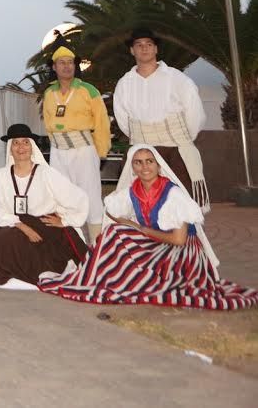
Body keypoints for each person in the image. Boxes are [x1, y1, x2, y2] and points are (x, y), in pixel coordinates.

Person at [40, 145, 258, 309]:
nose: (144, 167)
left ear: (158, 165)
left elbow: (179, 240)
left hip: (181, 256)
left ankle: (123, 280)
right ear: (132, 168)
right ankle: (109, 279)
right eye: (138, 162)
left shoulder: (174, 194)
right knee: (113, 233)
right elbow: (111, 210)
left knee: (119, 234)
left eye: (149, 161)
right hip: (157, 244)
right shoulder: (133, 190)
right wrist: (129, 224)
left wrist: (139, 229)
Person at [0, 123, 89, 288]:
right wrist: (23, 227)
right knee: (5, 239)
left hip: (43, 224)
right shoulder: (0, 175)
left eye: (25, 142)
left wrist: (65, 221)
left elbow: (79, 198)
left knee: (20, 244)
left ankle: (36, 270)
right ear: (10, 149)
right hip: (13, 222)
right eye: (16, 143)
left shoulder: (46, 173)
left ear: (32, 147)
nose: (21, 147)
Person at [113, 28, 209, 210]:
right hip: (142, 151)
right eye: (139, 45)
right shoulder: (124, 83)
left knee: (183, 205)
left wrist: (179, 139)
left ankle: (184, 239)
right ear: (132, 50)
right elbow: (123, 121)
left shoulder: (178, 79)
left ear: (156, 49)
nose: (144, 48)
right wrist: (144, 138)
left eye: (149, 44)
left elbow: (195, 115)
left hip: (175, 151)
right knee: (140, 205)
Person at [41, 45, 110, 242]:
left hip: (84, 149)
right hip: (58, 151)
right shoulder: (49, 93)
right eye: (62, 63)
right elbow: (47, 123)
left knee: (90, 196)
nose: (66, 66)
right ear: (54, 67)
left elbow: (102, 122)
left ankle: (97, 244)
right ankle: (72, 245)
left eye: (70, 62)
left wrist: (101, 151)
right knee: (62, 196)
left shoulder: (88, 90)